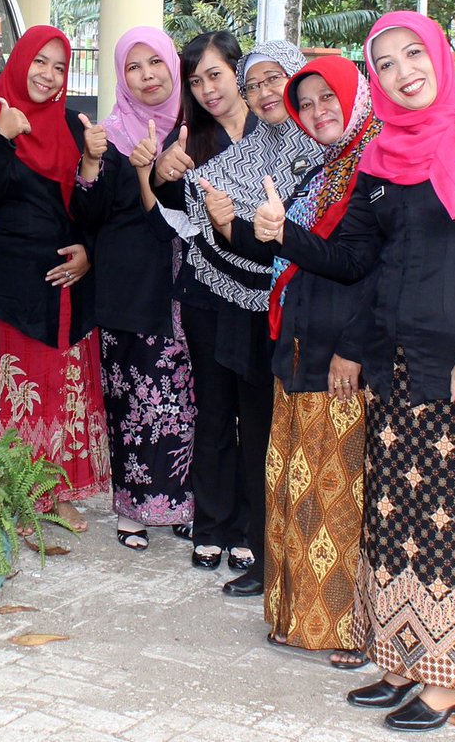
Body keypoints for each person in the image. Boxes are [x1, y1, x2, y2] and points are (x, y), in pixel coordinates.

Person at [257, 11, 455, 731]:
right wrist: (278, 232)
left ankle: (453, 678)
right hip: (394, 363)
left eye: (414, 53)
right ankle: (408, 659)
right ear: (375, 80)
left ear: (439, 52)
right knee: (399, 522)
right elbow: (354, 261)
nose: (405, 69)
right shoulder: (380, 159)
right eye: (387, 62)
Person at [211, 55, 381, 666]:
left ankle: (343, 623)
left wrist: (352, 349)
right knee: (298, 484)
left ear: (355, 95)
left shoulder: (375, 162)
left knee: (337, 494)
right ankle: (298, 615)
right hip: (299, 345)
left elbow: (365, 267)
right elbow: (290, 251)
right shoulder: (323, 165)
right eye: (305, 103)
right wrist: (240, 228)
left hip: (339, 354)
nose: (316, 112)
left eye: (326, 98)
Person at [153, 35, 321, 594]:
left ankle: (261, 535)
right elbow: (185, 210)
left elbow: (288, 227)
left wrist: (231, 227)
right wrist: (159, 175)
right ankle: (218, 525)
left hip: (284, 300)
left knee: (264, 419)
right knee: (215, 411)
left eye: (220, 76)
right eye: (197, 81)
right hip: (212, 291)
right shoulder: (193, 138)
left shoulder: (305, 134)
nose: (210, 90)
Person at [0, 25, 110, 531]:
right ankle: (24, 495)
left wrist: (91, 164)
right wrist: (5, 138)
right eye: (40, 61)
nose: (48, 75)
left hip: (72, 278)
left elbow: (92, 211)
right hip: (17, 279)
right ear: (20, 60)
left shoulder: (74, 126)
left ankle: (59, 494)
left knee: (66, 387)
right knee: (23, 390)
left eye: (59, 66)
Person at [70, 27, 195, 550]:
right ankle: (132, 507)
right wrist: (93, 162)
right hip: (128, 285)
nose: (147, 76)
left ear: (173, 66)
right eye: (133, 68)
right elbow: (88, 216)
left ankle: (187, 504)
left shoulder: (197, 127)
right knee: (132, 398)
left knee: (188, 399)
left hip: (192, 287)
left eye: (155, 64)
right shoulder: (110, 134)